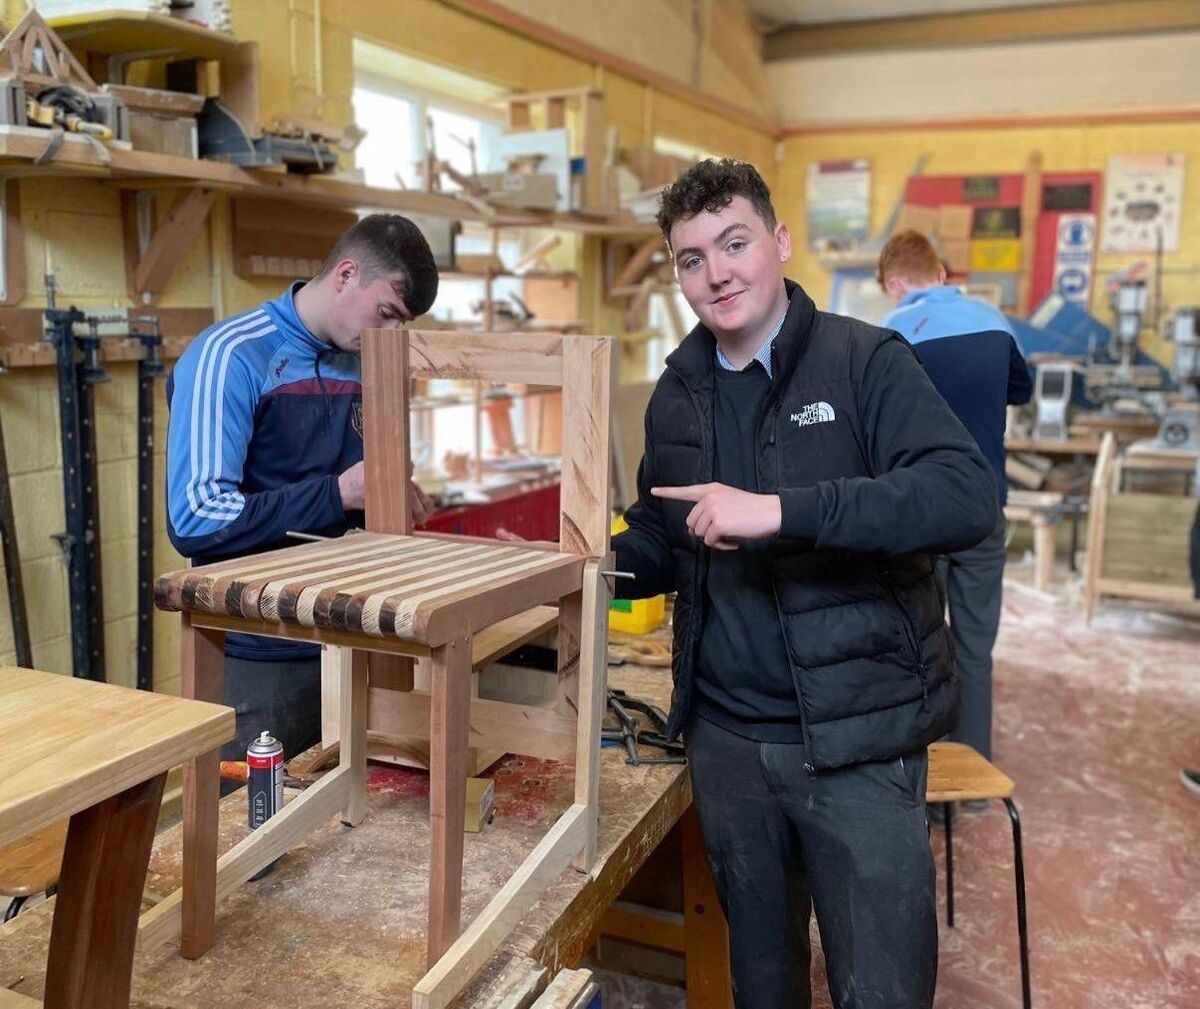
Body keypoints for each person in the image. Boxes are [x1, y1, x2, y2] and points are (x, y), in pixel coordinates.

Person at [613, 159, 997, 1009]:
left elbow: (964, 495)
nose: (716, 272)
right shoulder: (676, 395)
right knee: (763, 983)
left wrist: (783, 510)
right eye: (690, 258)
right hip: (729, 744)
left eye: (735, 242)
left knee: (882, 990)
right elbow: (659, 528)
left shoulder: (867, 363)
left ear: (780, 243)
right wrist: (587, 561)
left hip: (857, 744)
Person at [165, 213, 439, 766]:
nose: (389, 337)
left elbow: (357, 486)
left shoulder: (364, 360)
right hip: (262, 651)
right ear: (345, 274)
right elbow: (195, 517)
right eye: (385, 314)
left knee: (348, 835)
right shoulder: (233, 356)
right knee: (259, 832)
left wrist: (388, 492)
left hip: (355, 640)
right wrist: (338, 494)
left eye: (401, 324)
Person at [879, 230, 1033, 764]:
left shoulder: (893, 331)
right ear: (940, 273)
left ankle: (928, 774)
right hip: (985, 504)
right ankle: (973, 773)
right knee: (975, 647)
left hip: (922, 511)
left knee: (920, 641)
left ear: (896, 282)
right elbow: (1021, 390)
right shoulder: (994, 320)